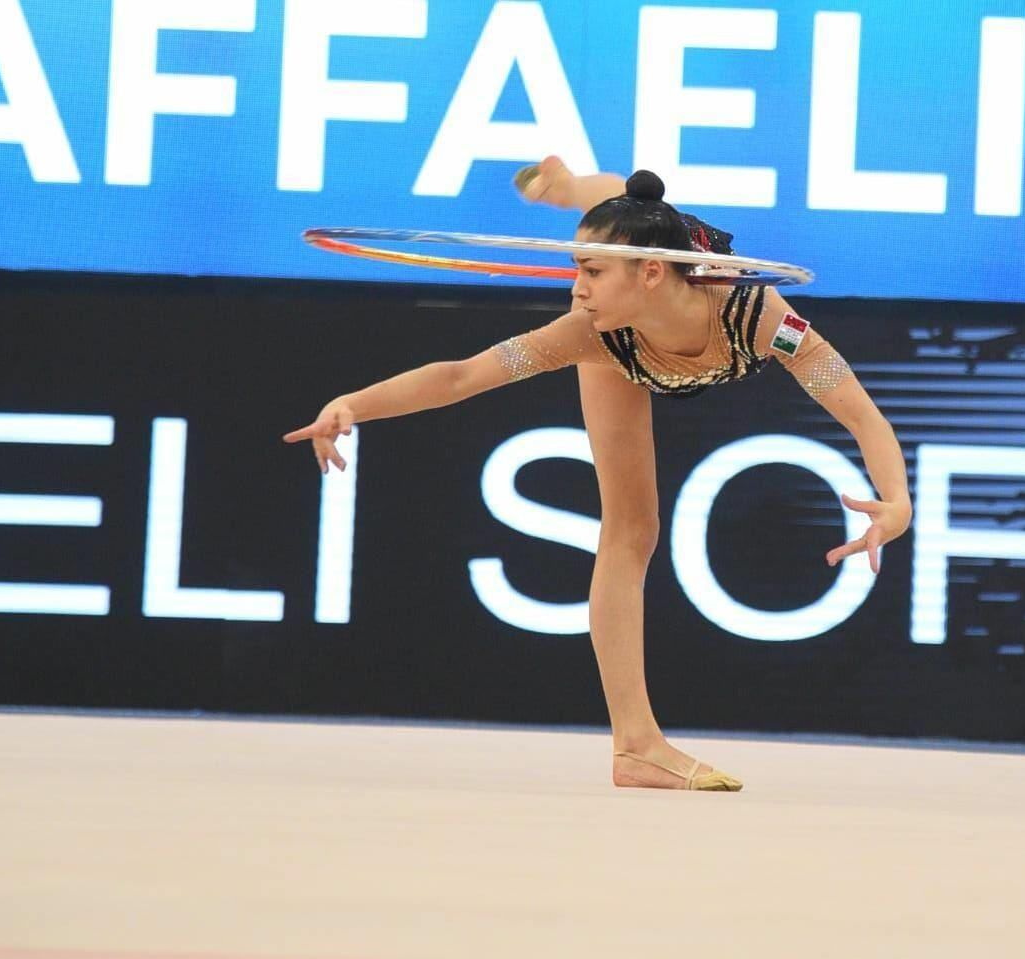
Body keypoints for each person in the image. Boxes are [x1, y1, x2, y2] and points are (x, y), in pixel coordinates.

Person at [284, 157, 912, 792]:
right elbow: (461, 376)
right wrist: (353, 405)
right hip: (623, 345)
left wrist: (896, 502)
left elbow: (859, 412)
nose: (576, 287)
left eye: (589, 271)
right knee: (631, 529)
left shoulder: (759, 316)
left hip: (672, 286)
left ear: (651, 273)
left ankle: (567, 188)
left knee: (621, 204)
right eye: (575, 269)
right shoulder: (588, 331)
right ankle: (636, 746)